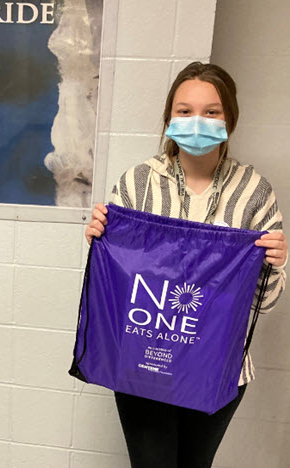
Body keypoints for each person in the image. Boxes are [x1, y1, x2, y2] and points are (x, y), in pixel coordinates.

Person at [85, 62, 287, 468]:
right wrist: (98, 242)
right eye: (184, 110)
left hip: (218, 366)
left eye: (212, 112)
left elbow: (263, 305)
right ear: (168, 117)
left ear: (229, 117)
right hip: (144, 361)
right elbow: (116, 286)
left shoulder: (254, 191)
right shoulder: (137, 182)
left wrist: (273, 266)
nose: (198, 121)